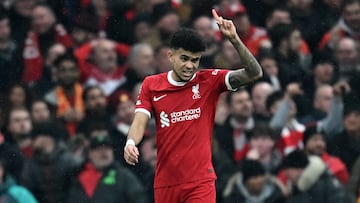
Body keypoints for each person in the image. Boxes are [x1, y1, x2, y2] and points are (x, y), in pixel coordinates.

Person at [124, 9, 263, 203]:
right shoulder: (151, 84)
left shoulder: (209, 81)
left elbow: (254, 73)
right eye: (184, 59)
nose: (190, 66)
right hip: (166, 183)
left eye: (195, 60)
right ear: (171, 56)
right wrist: (131, 143)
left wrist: (234, 39)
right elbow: (139, 121)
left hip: (200, 182)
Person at [281, 150, 350, 203]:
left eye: (288, 171)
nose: (286, 175)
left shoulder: (319, 185)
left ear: (299, 169)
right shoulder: (312, 183)